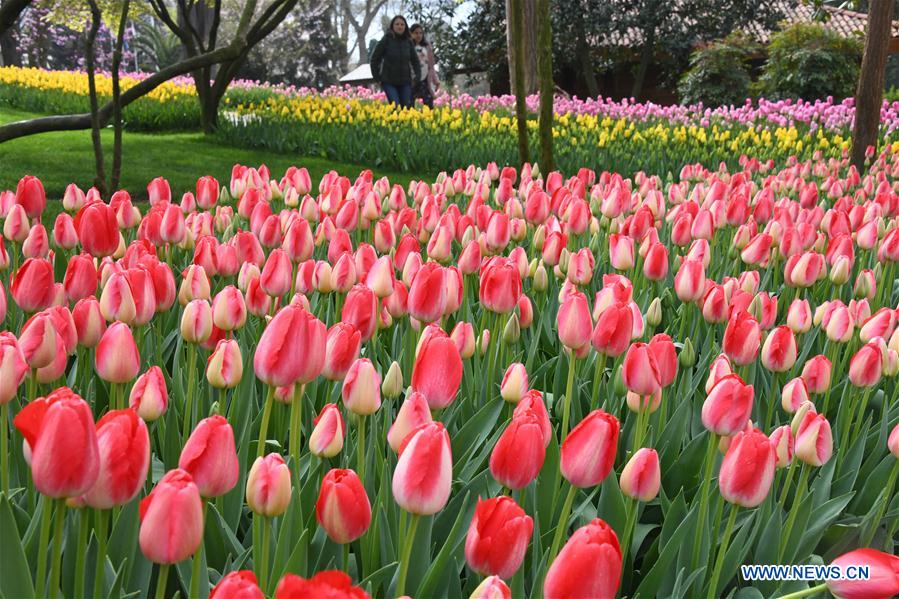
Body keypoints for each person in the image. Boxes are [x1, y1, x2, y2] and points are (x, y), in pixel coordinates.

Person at [370, 15, 421, 108]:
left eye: (402, 24)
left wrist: (417, 76)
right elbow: (374, 59)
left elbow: (415, 61)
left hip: (405, 82)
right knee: (396, 107)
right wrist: (377, 77)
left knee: (406, 108)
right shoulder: (386, 40)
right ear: (392, 26)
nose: (400, 26)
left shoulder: (408, 42)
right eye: (397, 24)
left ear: (405, 27)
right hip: (389, 82)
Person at [410, 24, 439, 109]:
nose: (418, 35)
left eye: (420, 33)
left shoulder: (427, 46)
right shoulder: (408, 46)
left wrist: (435, 79)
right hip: (412, 79)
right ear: (411, 34)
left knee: (429, 105)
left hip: (425, 78)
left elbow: (431, 65)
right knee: (409, 104)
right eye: (416, 33)